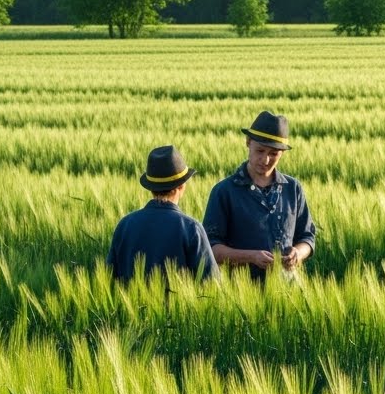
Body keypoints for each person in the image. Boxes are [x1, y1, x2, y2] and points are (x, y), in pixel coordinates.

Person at [202, 110, 317, 279]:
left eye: (273, 154)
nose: (265, 160)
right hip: (239, 290)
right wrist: (251, 257)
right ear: (248, 142)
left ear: (282, 153)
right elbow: (211, 248)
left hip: (288, 288)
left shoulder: (293, 188)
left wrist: (298, 253)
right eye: (260, 151)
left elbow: (307, 237)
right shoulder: (224, 191)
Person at [107, 145, 219, 282]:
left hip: (129, 303)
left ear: (150, 188)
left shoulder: (125, 225)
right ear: (182, 186)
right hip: (181, 303)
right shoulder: (191, 228)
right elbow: (211, 284)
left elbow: (110, 278)